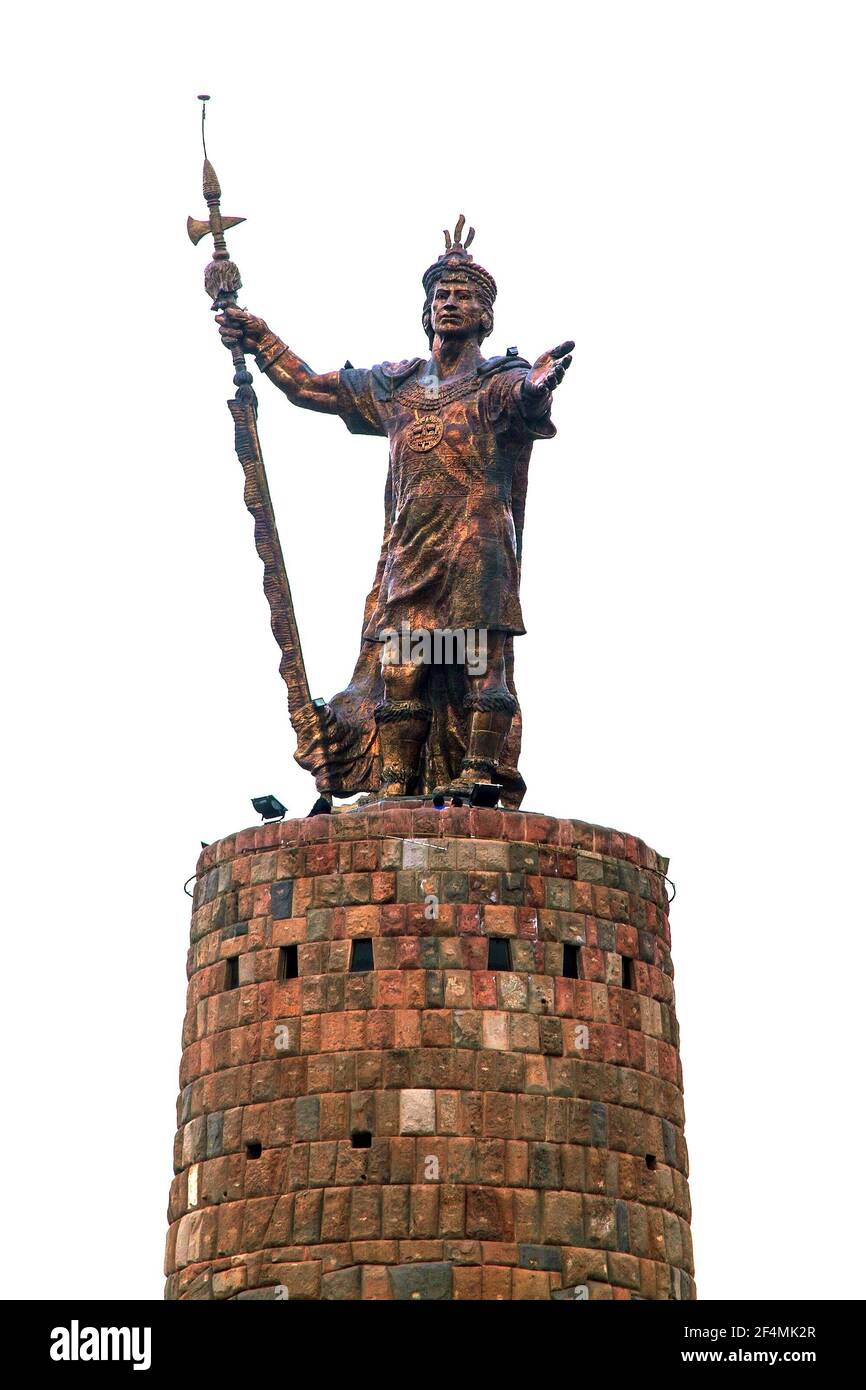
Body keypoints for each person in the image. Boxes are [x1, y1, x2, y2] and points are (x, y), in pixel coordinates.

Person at [217, 216, 572, 804]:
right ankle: (395, 787)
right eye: (441, 296)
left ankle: (482, 773)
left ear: (485, 316)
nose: (450, 304)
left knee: (478, 659)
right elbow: (311, 388)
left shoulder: (495, 382)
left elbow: (525, 399)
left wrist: (539, 385)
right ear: (427, 310)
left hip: (476, 548)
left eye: (464, 297)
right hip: (412, 549)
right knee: (404, 668)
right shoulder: (396, 386)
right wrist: (261, 340)